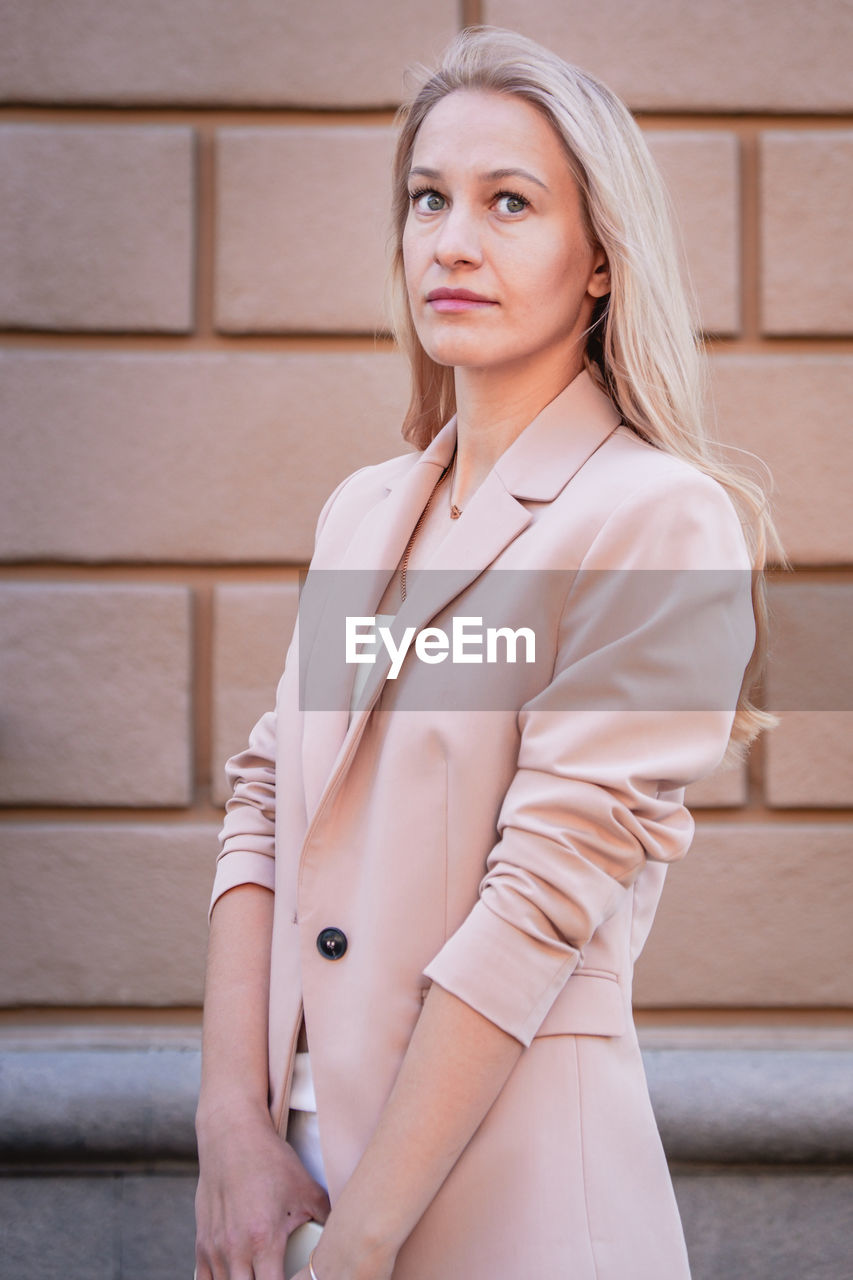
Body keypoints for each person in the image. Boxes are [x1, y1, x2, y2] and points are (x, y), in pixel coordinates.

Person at [194, 26, 778, 1280]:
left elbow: (537, 903)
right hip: (300, 1187)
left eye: (509, 202)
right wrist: (230, 1126)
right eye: (427, 200)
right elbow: (263, 803)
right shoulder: (366, 511)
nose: (451, 239)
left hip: (513, 1209)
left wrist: (360, 1247)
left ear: (601, 260)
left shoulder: (655, 519)